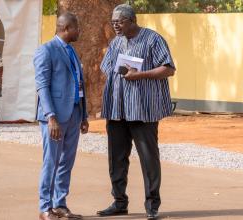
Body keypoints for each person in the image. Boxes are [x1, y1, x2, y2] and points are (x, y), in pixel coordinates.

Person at [97, 4, 175, 220]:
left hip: (143, 110)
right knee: (117, 158)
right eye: (113, 22)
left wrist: (140, 75)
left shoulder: (153, 39)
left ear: (132, 20)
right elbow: (108, 69)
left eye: (119, 22)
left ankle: (152, 205)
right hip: (117, 109)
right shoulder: (115, 42)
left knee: (149, 158)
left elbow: (168, 69)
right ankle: (119, 202)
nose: (115, 26)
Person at [33, 12, 89, 220]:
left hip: (74, 114)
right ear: (66, 28)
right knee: (51, 161)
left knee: (67, 162)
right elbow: (42, 86)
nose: (79, 31)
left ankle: (60, 204)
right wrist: (51, 117)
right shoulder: (46, 51)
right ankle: (45, 207)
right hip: (55, 117)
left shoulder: (72, 51)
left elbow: (79, 84)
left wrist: (83, 115)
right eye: (76, 28)